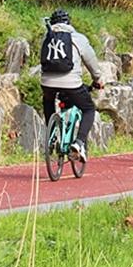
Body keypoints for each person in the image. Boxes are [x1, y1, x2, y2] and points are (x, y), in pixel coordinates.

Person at [40, 9, 103, 160]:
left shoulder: (46, 37)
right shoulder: (78, 38)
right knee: (88, 109)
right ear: (69, 22)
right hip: (71, 83)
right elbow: (91, 62)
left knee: (48, 100)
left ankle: (52, 134)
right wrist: (97, 79)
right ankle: (79, 142)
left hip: (47, 82)